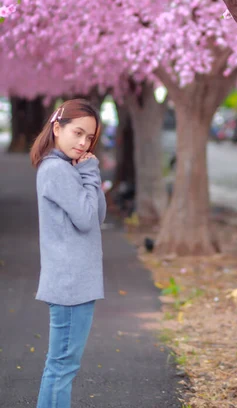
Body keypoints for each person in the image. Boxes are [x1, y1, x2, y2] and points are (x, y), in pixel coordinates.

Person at [30, 98, 106, 408]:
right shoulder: (57, 169)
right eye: (77, 133)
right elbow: (87, 219)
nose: (83, 142)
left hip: (74, 283)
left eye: (89, 137)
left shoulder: (66, 168)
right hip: (70, 285)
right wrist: (89, 170)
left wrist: (89, 173)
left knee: (62, 367)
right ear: (57, 128)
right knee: (61, 368)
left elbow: (97, 215)